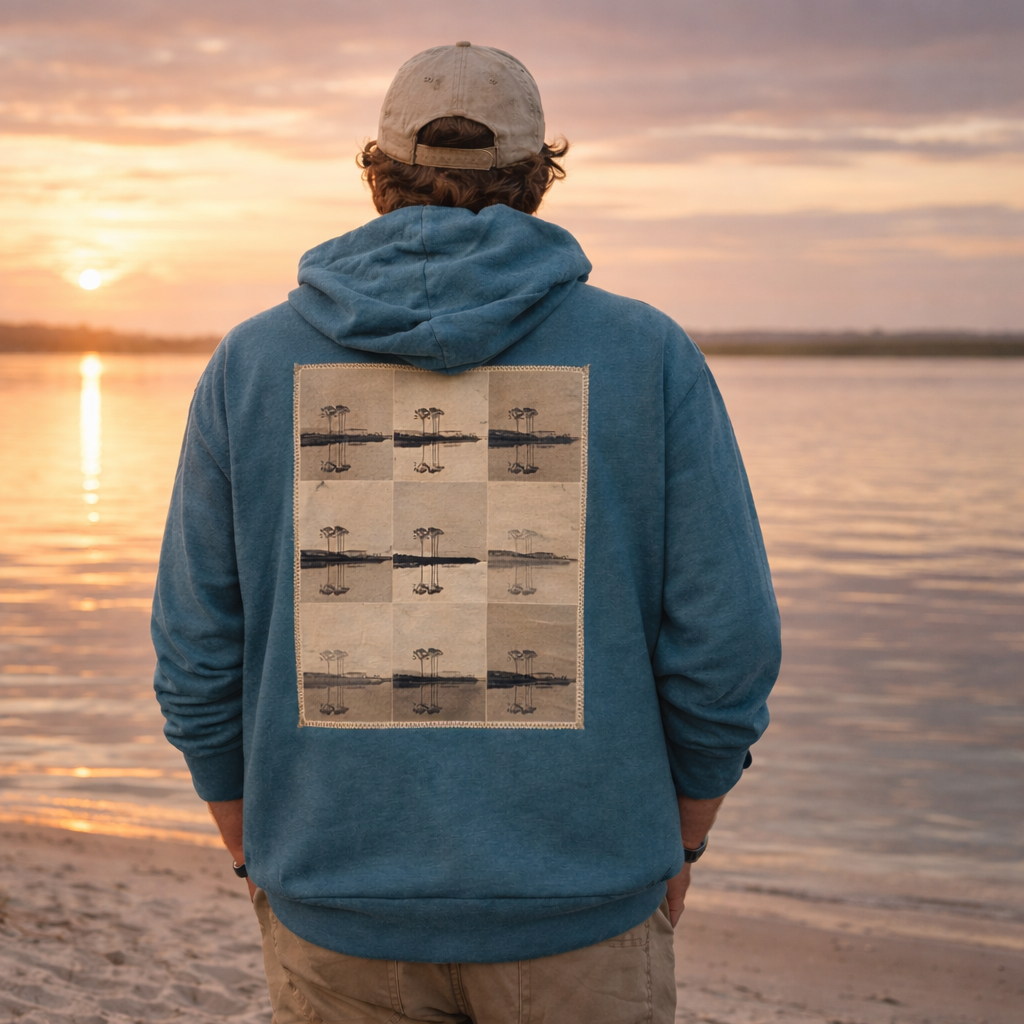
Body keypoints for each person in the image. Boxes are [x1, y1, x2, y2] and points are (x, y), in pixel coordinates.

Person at [151, 41, 779, 1024]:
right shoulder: (646, 354)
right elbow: (727, 641)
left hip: (334, 903)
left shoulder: (251, 364)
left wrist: (251, 842)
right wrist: (682, 836)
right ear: (539, 180)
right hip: (582, 908)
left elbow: (196, 646)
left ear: (376, 177)